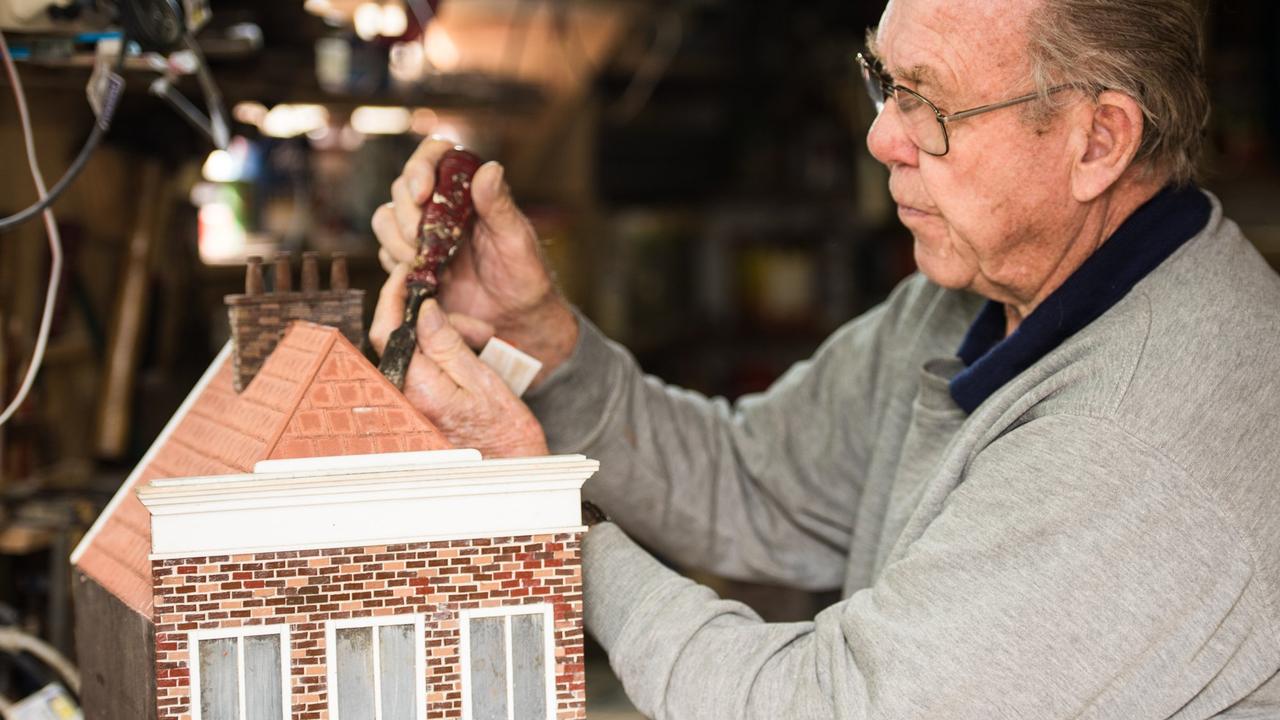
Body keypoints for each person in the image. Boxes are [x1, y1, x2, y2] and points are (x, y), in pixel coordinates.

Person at [369, 0, 1280, 716]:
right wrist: (543, 343)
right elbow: (757, 482)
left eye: (932, 103)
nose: (883, 137)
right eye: (885, 81)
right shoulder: (974, 290)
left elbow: (826, 706)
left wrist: (541, 518)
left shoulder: (1136, 439)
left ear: (1099, 140)